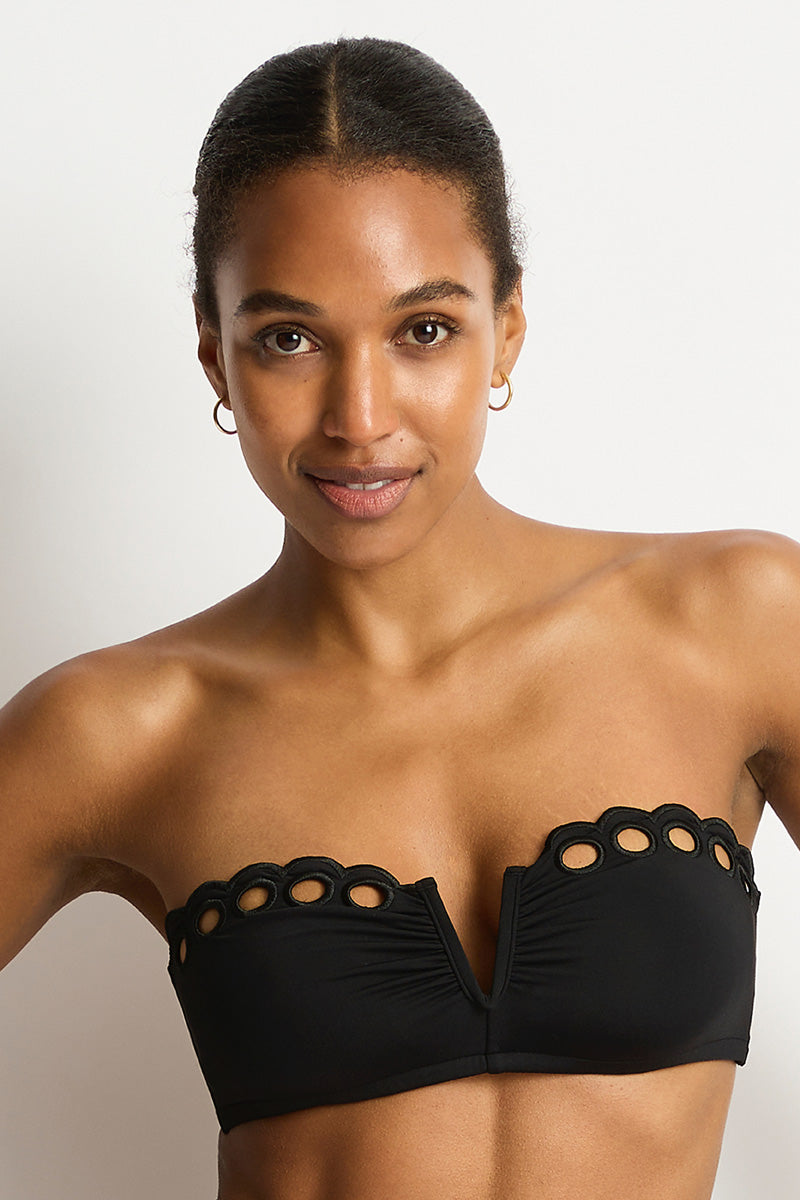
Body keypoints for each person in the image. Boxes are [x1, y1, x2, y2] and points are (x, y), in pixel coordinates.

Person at [1, 34, 798, 1200]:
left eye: (422, 329)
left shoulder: (735, 622)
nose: (359, 418)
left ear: (505, 326)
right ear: (216, 357)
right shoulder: (120, 730)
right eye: (288, 340)